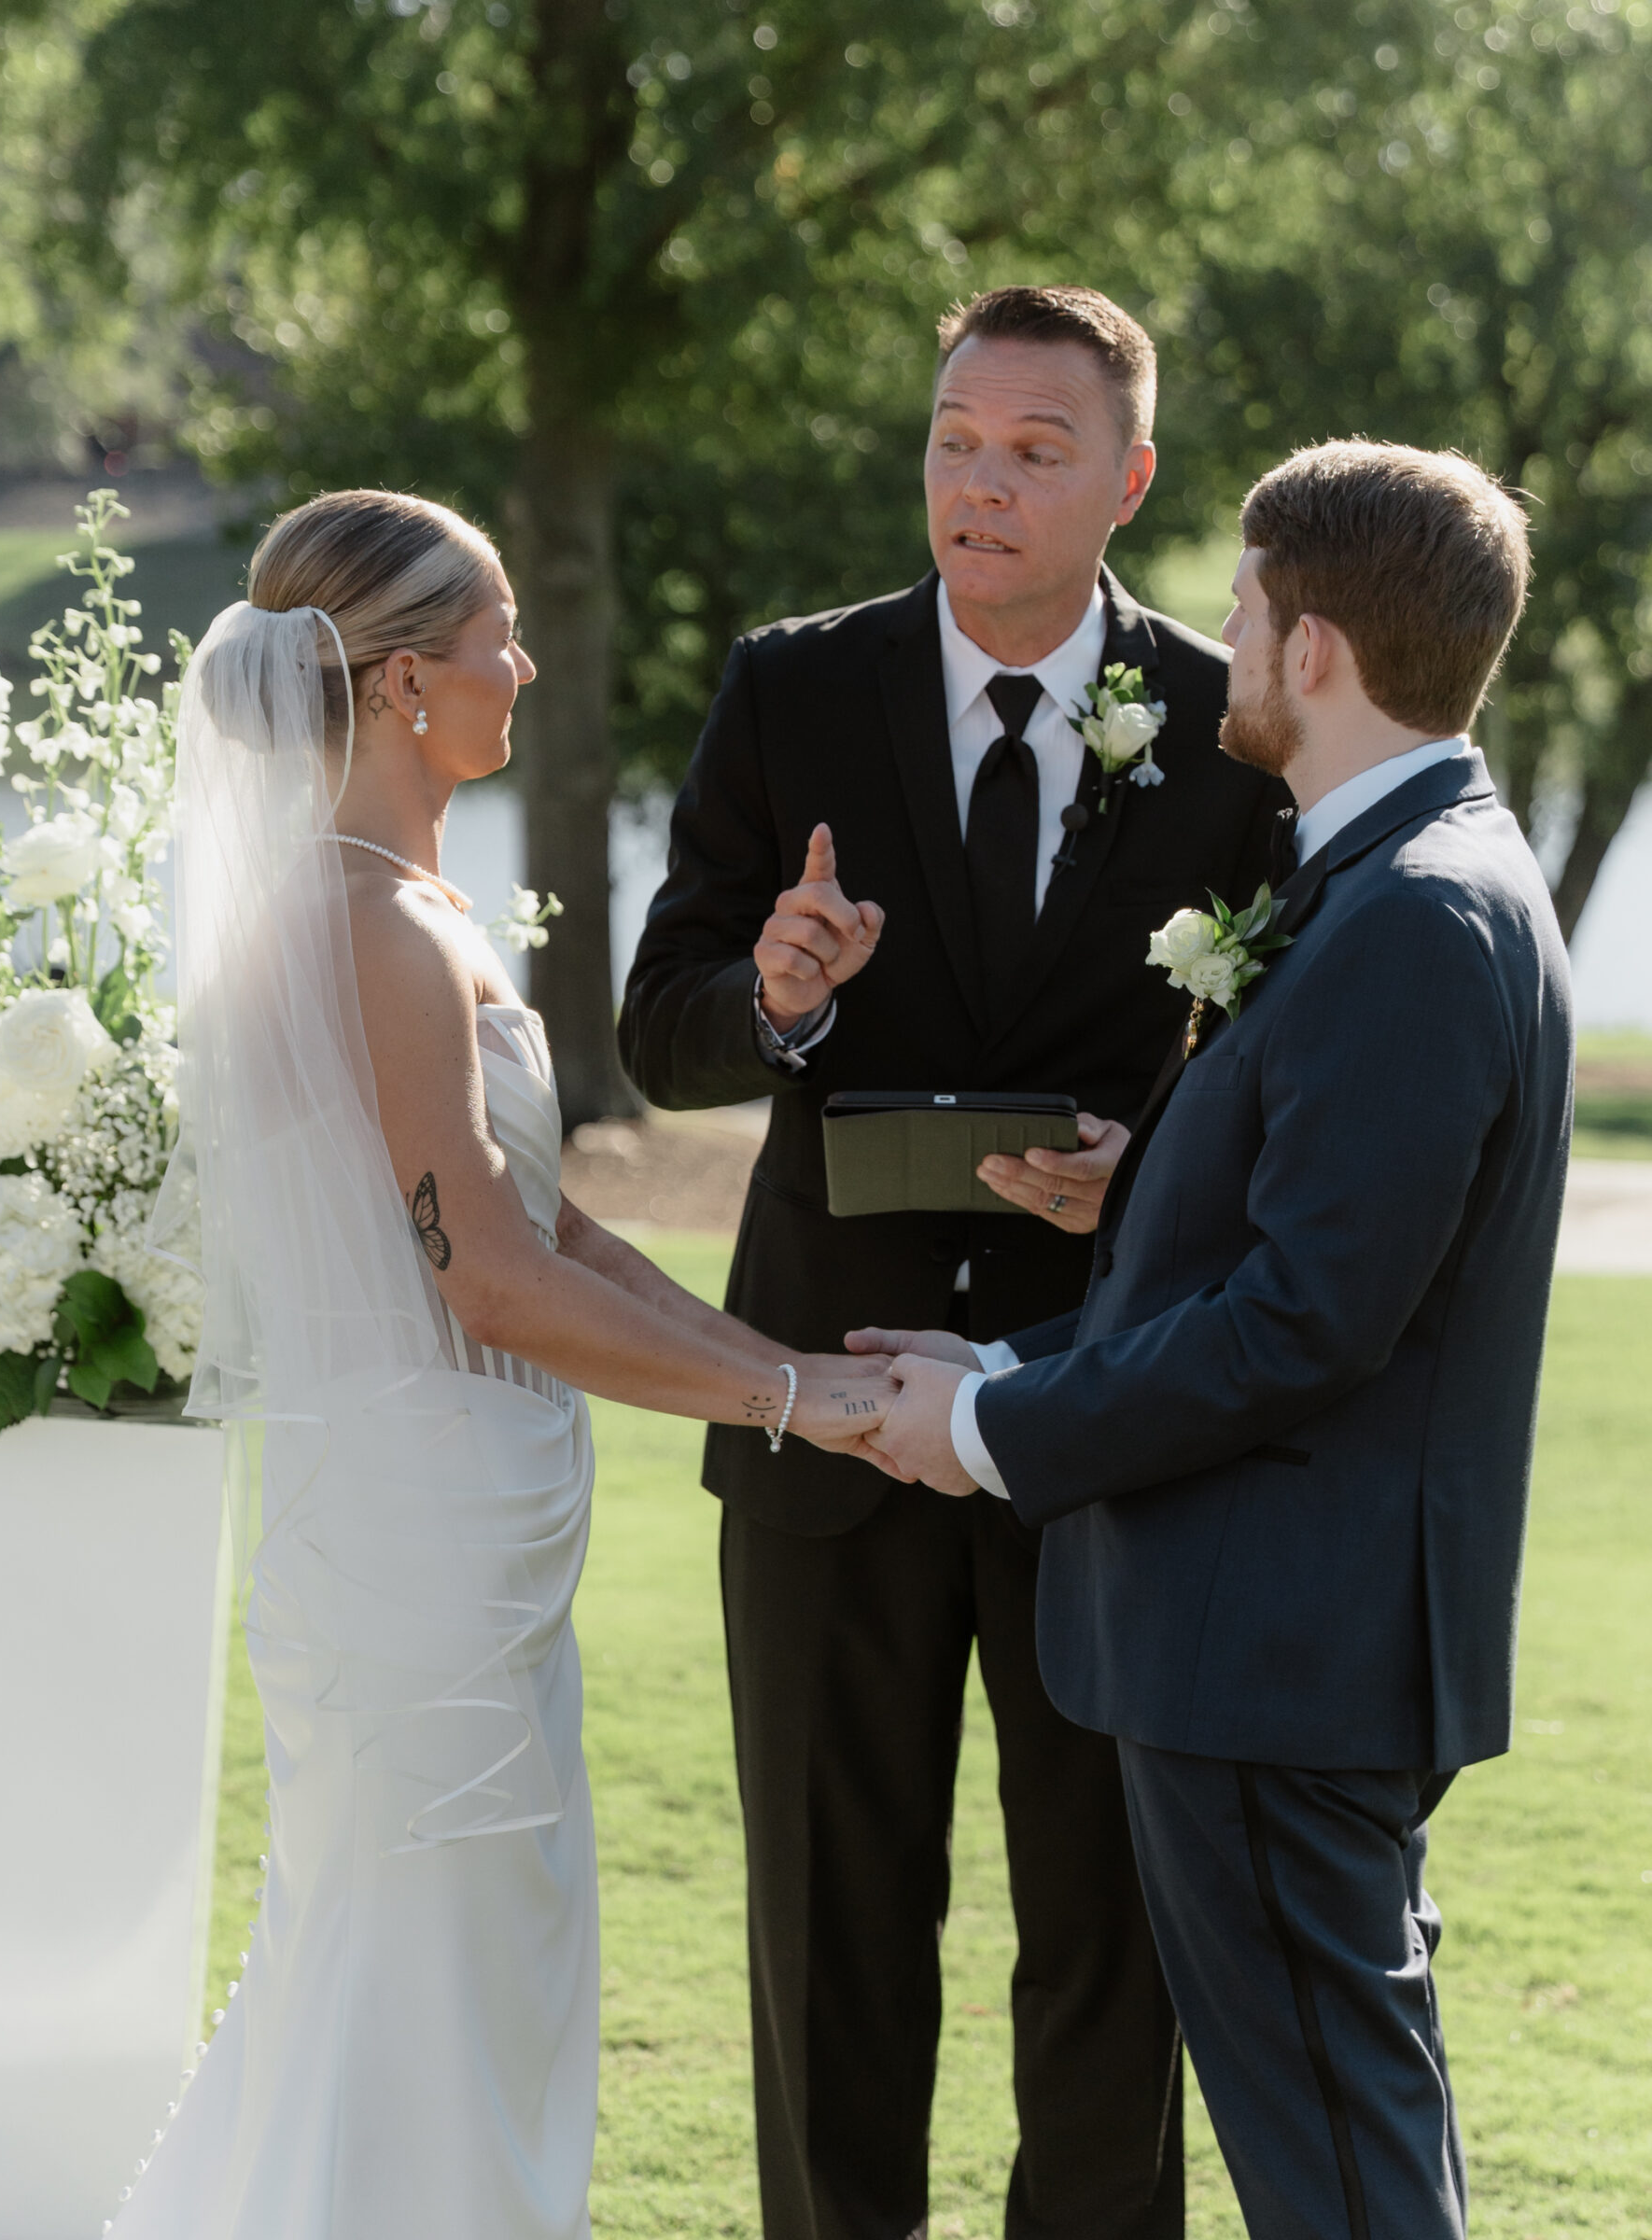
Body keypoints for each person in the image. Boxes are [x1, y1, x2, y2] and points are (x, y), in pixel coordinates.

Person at [113, 490, 893, 2240]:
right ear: (398, 685)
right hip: (416, 1570)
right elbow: (493, 1286)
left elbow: (554, 1235)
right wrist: (788, 1403)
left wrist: (790, 1372)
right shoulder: (374, 933)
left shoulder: (406, 907)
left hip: (452, 1548)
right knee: (428, 2004)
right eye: (494, 639)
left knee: (443, 1981)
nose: (523, 667)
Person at [619, 286, 1287, 2240]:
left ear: (1129, 479)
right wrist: (775, 996)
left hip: (1105, 1418)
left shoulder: (1232, 729)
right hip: (822, 1422)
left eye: (1032, 448)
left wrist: (1146, 1167)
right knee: (831, 1944)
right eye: (951, 436)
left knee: (1109, 1940)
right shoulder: (789, 690)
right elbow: (659, 1029)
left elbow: (1282, 1072)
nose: (975, 481)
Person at [854, 441, 1573, 2239]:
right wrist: (1008, 1371)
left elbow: (1307, 1320)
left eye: (1245, 607)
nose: (1223, 636)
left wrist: (994, 1440)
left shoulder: (1413, 915)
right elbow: (1267, 1252)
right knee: (1351, 2128)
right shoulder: (1395, 872)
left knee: (1332, 2159)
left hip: (1279, 1655)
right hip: (1291, 1642)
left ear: (1313, 648)